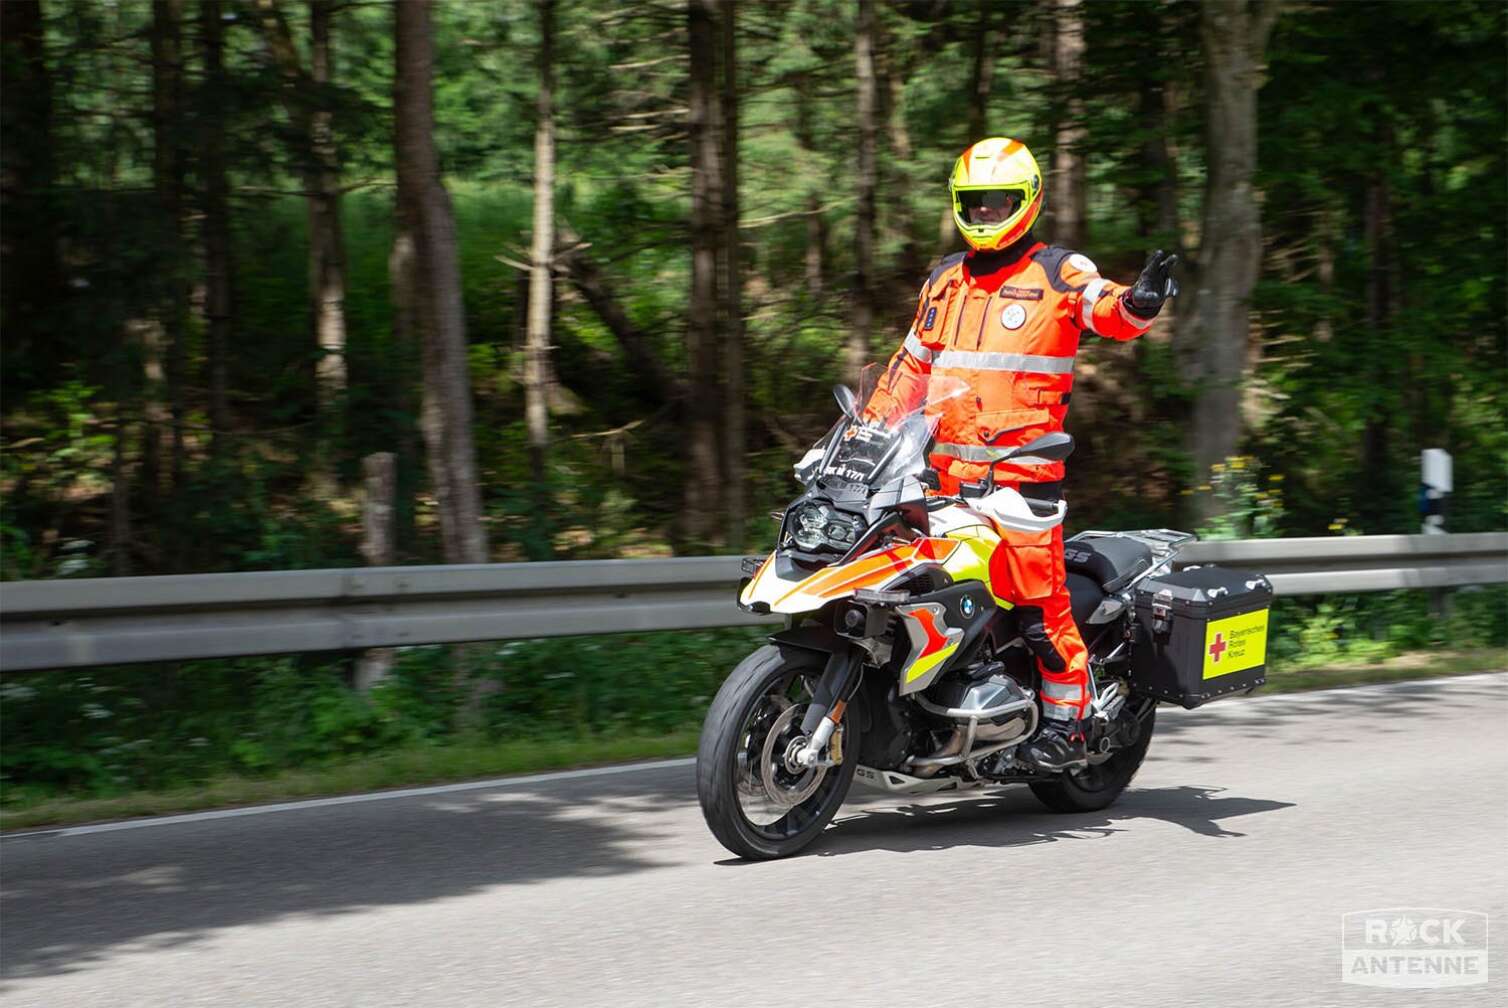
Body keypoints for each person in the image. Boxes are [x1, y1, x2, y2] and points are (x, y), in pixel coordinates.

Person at [864, 136, 1178, 770]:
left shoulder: (1059, 271)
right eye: (973, 204)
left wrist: (1139, 303)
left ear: (1027, 201)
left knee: (1037, 602)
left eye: (997, 202)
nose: (984, 215)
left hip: (1022, 475)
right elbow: (910, 367)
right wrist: (866, 432)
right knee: (905, 587)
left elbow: (1106, 309)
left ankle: (1069, 721)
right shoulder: (945, 279)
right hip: (942, 474)